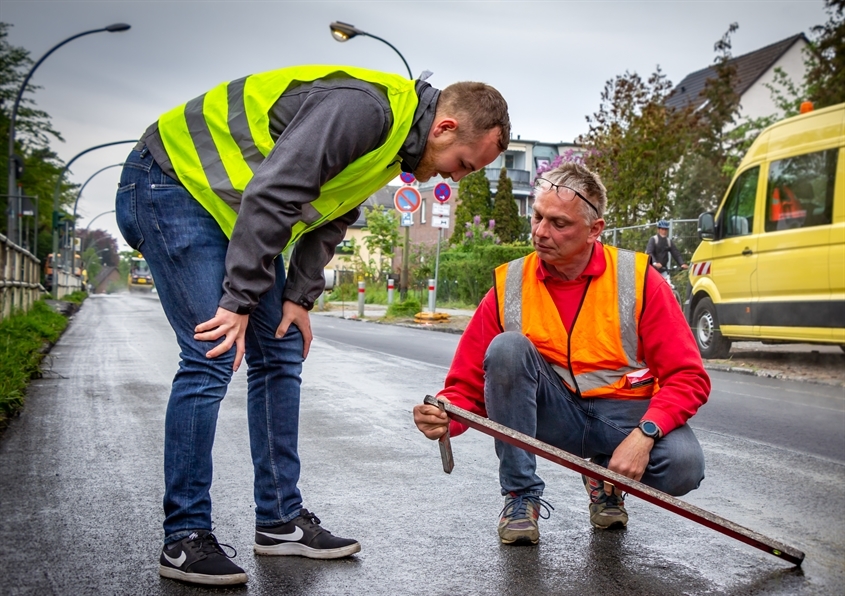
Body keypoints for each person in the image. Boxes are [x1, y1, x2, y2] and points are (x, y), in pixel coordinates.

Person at [116, 65, 510, 586]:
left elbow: (334, 212)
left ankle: (279, 522)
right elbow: (276, 193)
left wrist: (298, 296)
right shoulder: (365, 110)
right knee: (211, 354)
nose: (456, 178)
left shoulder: (394, 147)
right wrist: (236, 301)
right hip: (171, 183)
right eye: (463, 164)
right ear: (444, 128)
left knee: (278, 350)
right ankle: (185, 538)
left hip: (233, 209)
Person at [413, 163, 709, 546]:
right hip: (552, 417)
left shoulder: (637, 280)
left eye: (558, 223)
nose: (539, 232)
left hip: (620, 417)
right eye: (537, 217)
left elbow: (689, 376)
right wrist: (445, 414)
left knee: (684, 466)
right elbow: (465, 383)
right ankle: (521, 496)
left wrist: (645, 435)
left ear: (594, 230)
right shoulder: (510, 284)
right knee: (507, 347)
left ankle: (605, 476)